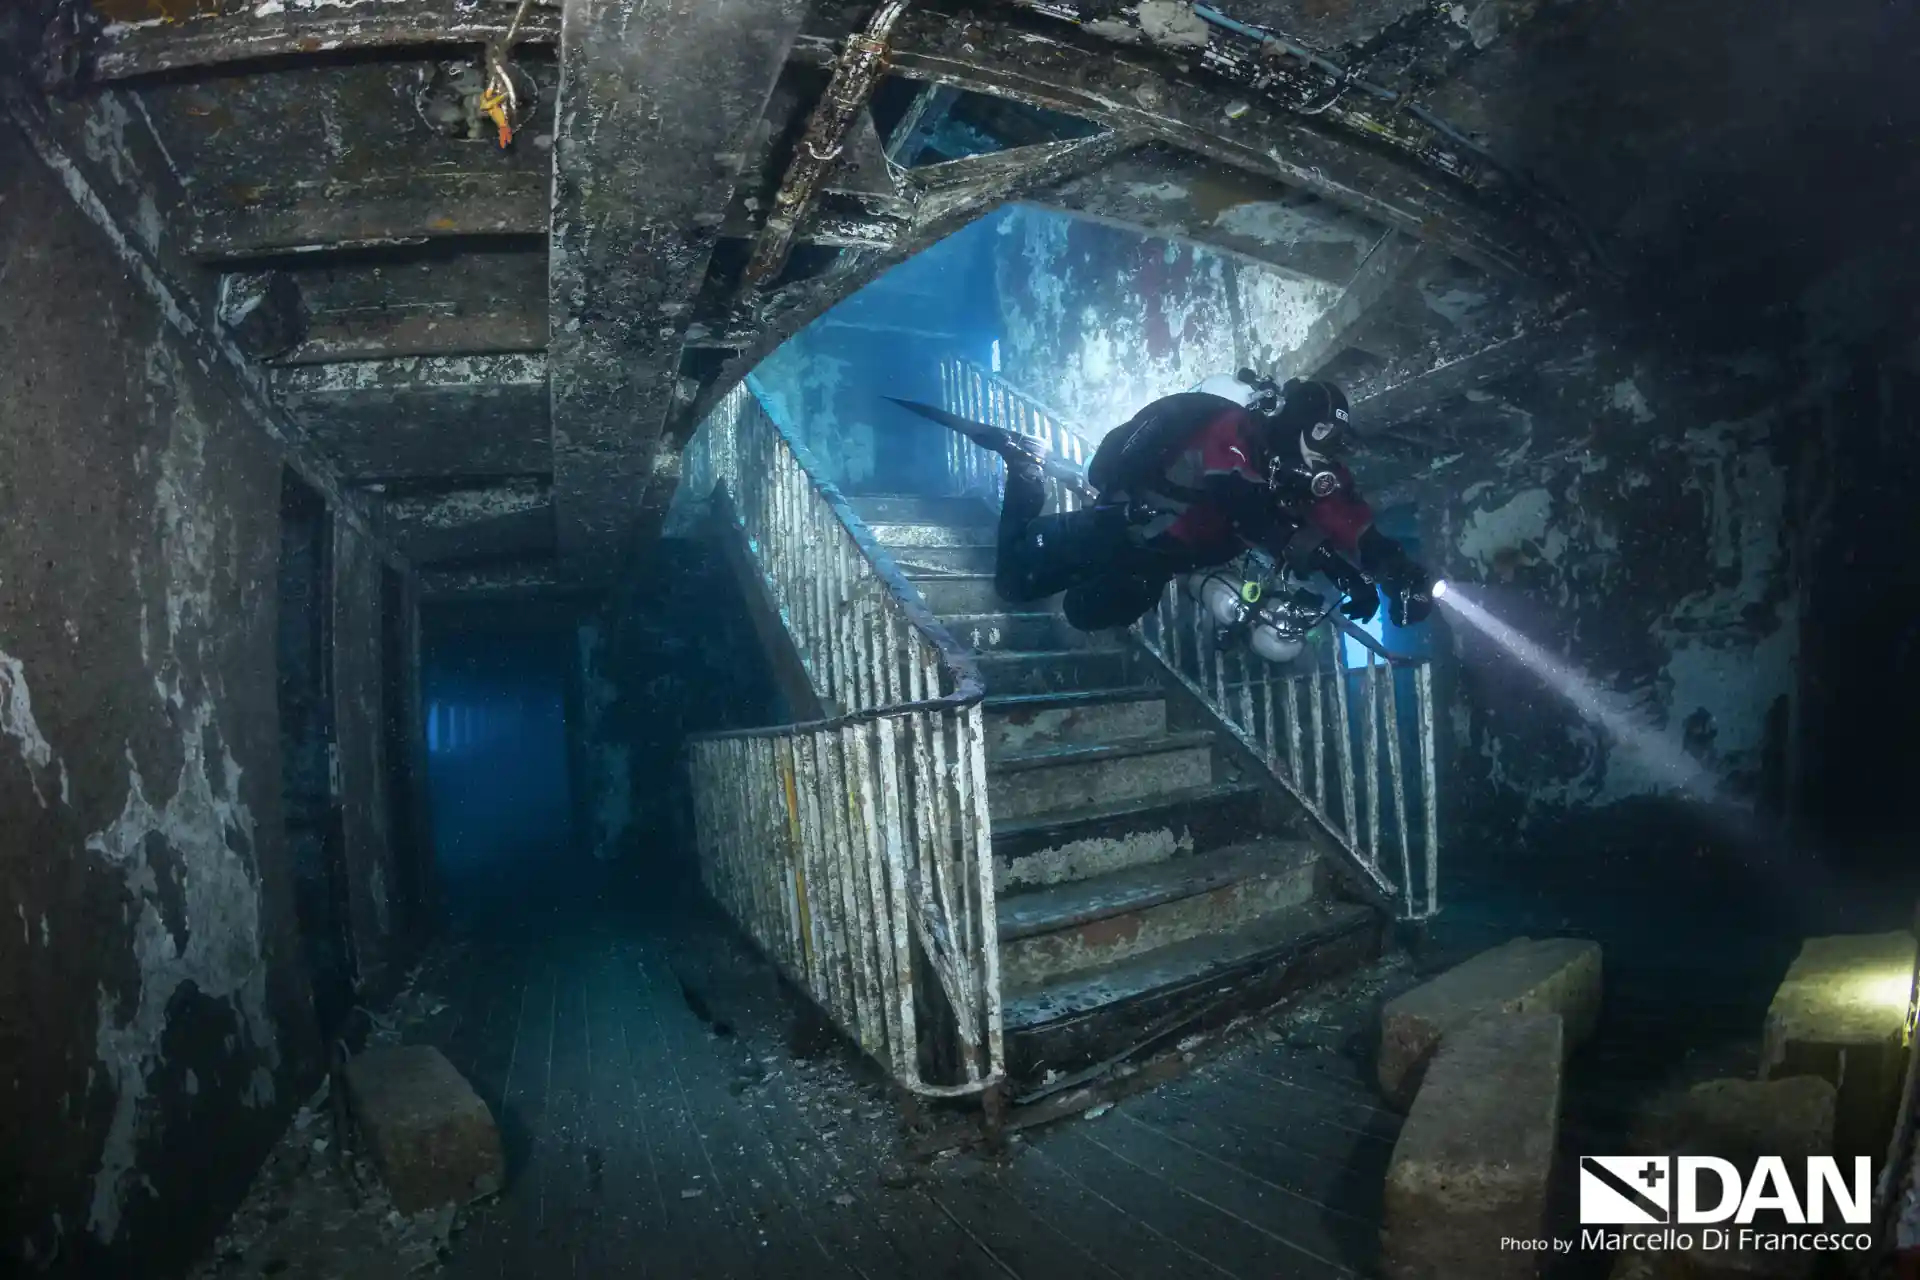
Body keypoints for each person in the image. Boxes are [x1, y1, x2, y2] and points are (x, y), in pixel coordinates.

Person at [894, 373, 1434, 636]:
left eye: (1334, 444)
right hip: (1119, 525)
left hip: (1156, 562)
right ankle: (1025, 462)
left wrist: (1399, 571)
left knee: (1084, 614)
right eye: (1321, 435)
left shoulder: (1318, 474)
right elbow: (1247, 509)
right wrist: (1338, 571)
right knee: (1013, 585)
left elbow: (1354, 527)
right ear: (1294, 421)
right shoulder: (1232, 432)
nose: (1327, 454)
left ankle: (1081, 566)